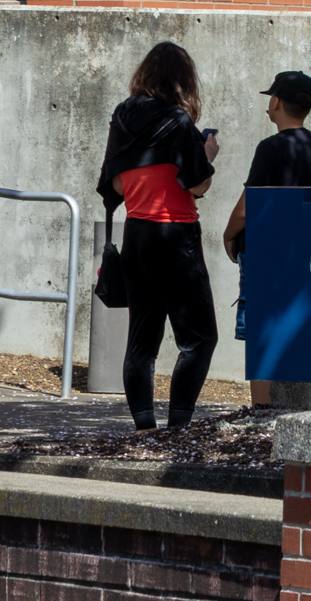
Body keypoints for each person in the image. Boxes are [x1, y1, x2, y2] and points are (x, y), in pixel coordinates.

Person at [97, 40, 219, 432]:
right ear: (183, 81)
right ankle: (179, 426)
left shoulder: (122, 116)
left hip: (136, 235)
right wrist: (208, 155)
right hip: (175, 234)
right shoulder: (179, 122)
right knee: (199, 339)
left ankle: (144, 429)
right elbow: (198, 186)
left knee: (142, 342)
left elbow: (114, 183)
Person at [222, 69, 311, 406]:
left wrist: (229, 234)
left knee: (262, 330)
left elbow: (250, 205)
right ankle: (297, 402)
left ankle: (261, 408)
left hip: (266, 254)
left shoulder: (270, 148)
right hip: (306, 255)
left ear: (276, 102)